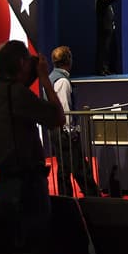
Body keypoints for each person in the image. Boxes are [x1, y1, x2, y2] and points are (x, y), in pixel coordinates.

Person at [0, 40, 65, 254]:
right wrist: (44, 79)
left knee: (12, 249)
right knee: (36, 248)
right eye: (27, 60)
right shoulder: (18, 95)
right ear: (20, 63)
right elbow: (57, 118)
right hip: (29, 185)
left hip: (5, 182)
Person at [48, 46, 101, 198]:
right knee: (78, 167)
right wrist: (71, 132)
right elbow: (65, 109)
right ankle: (93, 197)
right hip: (64, 132)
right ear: (68, 60)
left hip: (56, 130)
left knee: (64, 168)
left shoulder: (52, 78)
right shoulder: (62, 81)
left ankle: (67, 199)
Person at [94, 0, 126, 75]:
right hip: (104, 30)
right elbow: (107, 4)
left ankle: (105, 68)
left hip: (109, 29)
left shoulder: (105, 0)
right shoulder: (100, 0)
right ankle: (100, 70)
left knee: (107, 50)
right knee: (103, 50)